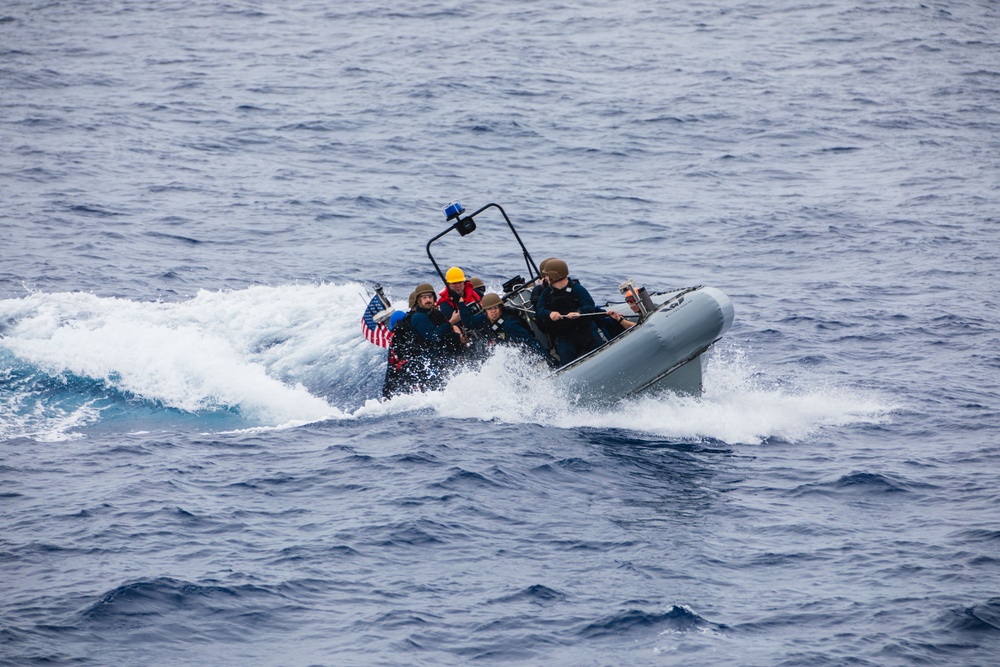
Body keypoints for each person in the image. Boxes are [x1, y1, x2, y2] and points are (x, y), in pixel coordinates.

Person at [383, 282, 465, 399]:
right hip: (425, 363)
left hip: (440, 360)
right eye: (424, 297)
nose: (428, 300)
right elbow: (434, 336)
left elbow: (446, 335)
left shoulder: (436, 314)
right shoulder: (418, 317)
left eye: (430, 297)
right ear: (418, 300)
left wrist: (460, 338)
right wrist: (451, 322)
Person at [534, 258, 603, 365]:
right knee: (565, 355)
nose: (545, 278)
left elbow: (589, 305)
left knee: (600, 350)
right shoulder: (547, 293)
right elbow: (539, 310)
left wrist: (579, 313)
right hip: (564, 335)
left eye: (547, 276)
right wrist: (549, 314)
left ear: (553, 275)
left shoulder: (577, 289)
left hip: (585, 331)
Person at [466, 292, 547, 359]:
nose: (493, 311)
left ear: (500, 308)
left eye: (495, 307)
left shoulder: (510, 324)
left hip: (521, 354)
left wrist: (546, 359)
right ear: (485, 311)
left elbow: (531, 341)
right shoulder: (487, 319)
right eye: (489, 309)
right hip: (503, 351)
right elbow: (468, 322)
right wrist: (461, 302)